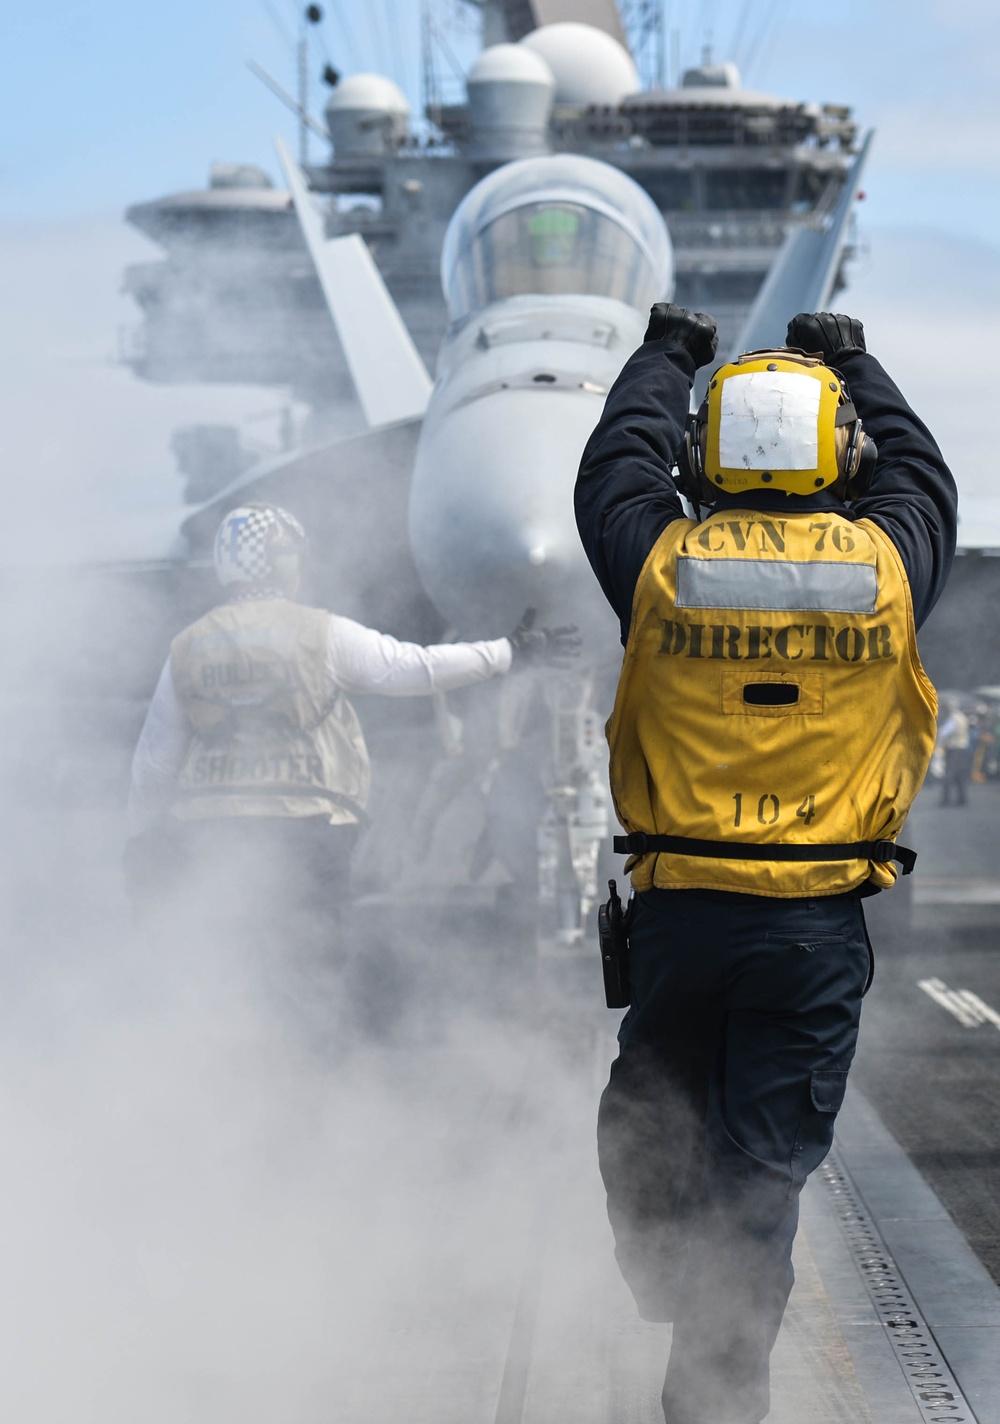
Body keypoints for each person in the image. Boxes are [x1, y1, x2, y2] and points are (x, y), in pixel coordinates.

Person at [575, 306, 957, 1424]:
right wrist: (853, 358)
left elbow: (614, 463)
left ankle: (690, 1342)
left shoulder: (660, 563)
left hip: (682, 915)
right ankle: (717, 1373)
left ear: (706, 455)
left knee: (640, 1124)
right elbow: (924, 476)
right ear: (841, 451)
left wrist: (664, 355)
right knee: (759, 1169)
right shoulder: (886, 567)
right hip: (814, 931)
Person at [125, 501, 578, 957]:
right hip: (306, 837)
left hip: (214, 837)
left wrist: (141, 839)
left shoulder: (187, 648)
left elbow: (154, 761)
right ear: (283, 564)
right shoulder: (319, 633)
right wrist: (510, 652)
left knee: (231, 960)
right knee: (309, 964)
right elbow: (416, 669)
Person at [936, 695, 972, 806]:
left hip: (954, 749)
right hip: (962, 748)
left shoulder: (953, 719)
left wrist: (940, 742)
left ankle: (946, 800)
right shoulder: (963, 718)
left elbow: (944, 733)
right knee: (960, 775)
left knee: (949, 775)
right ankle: (962, 799)